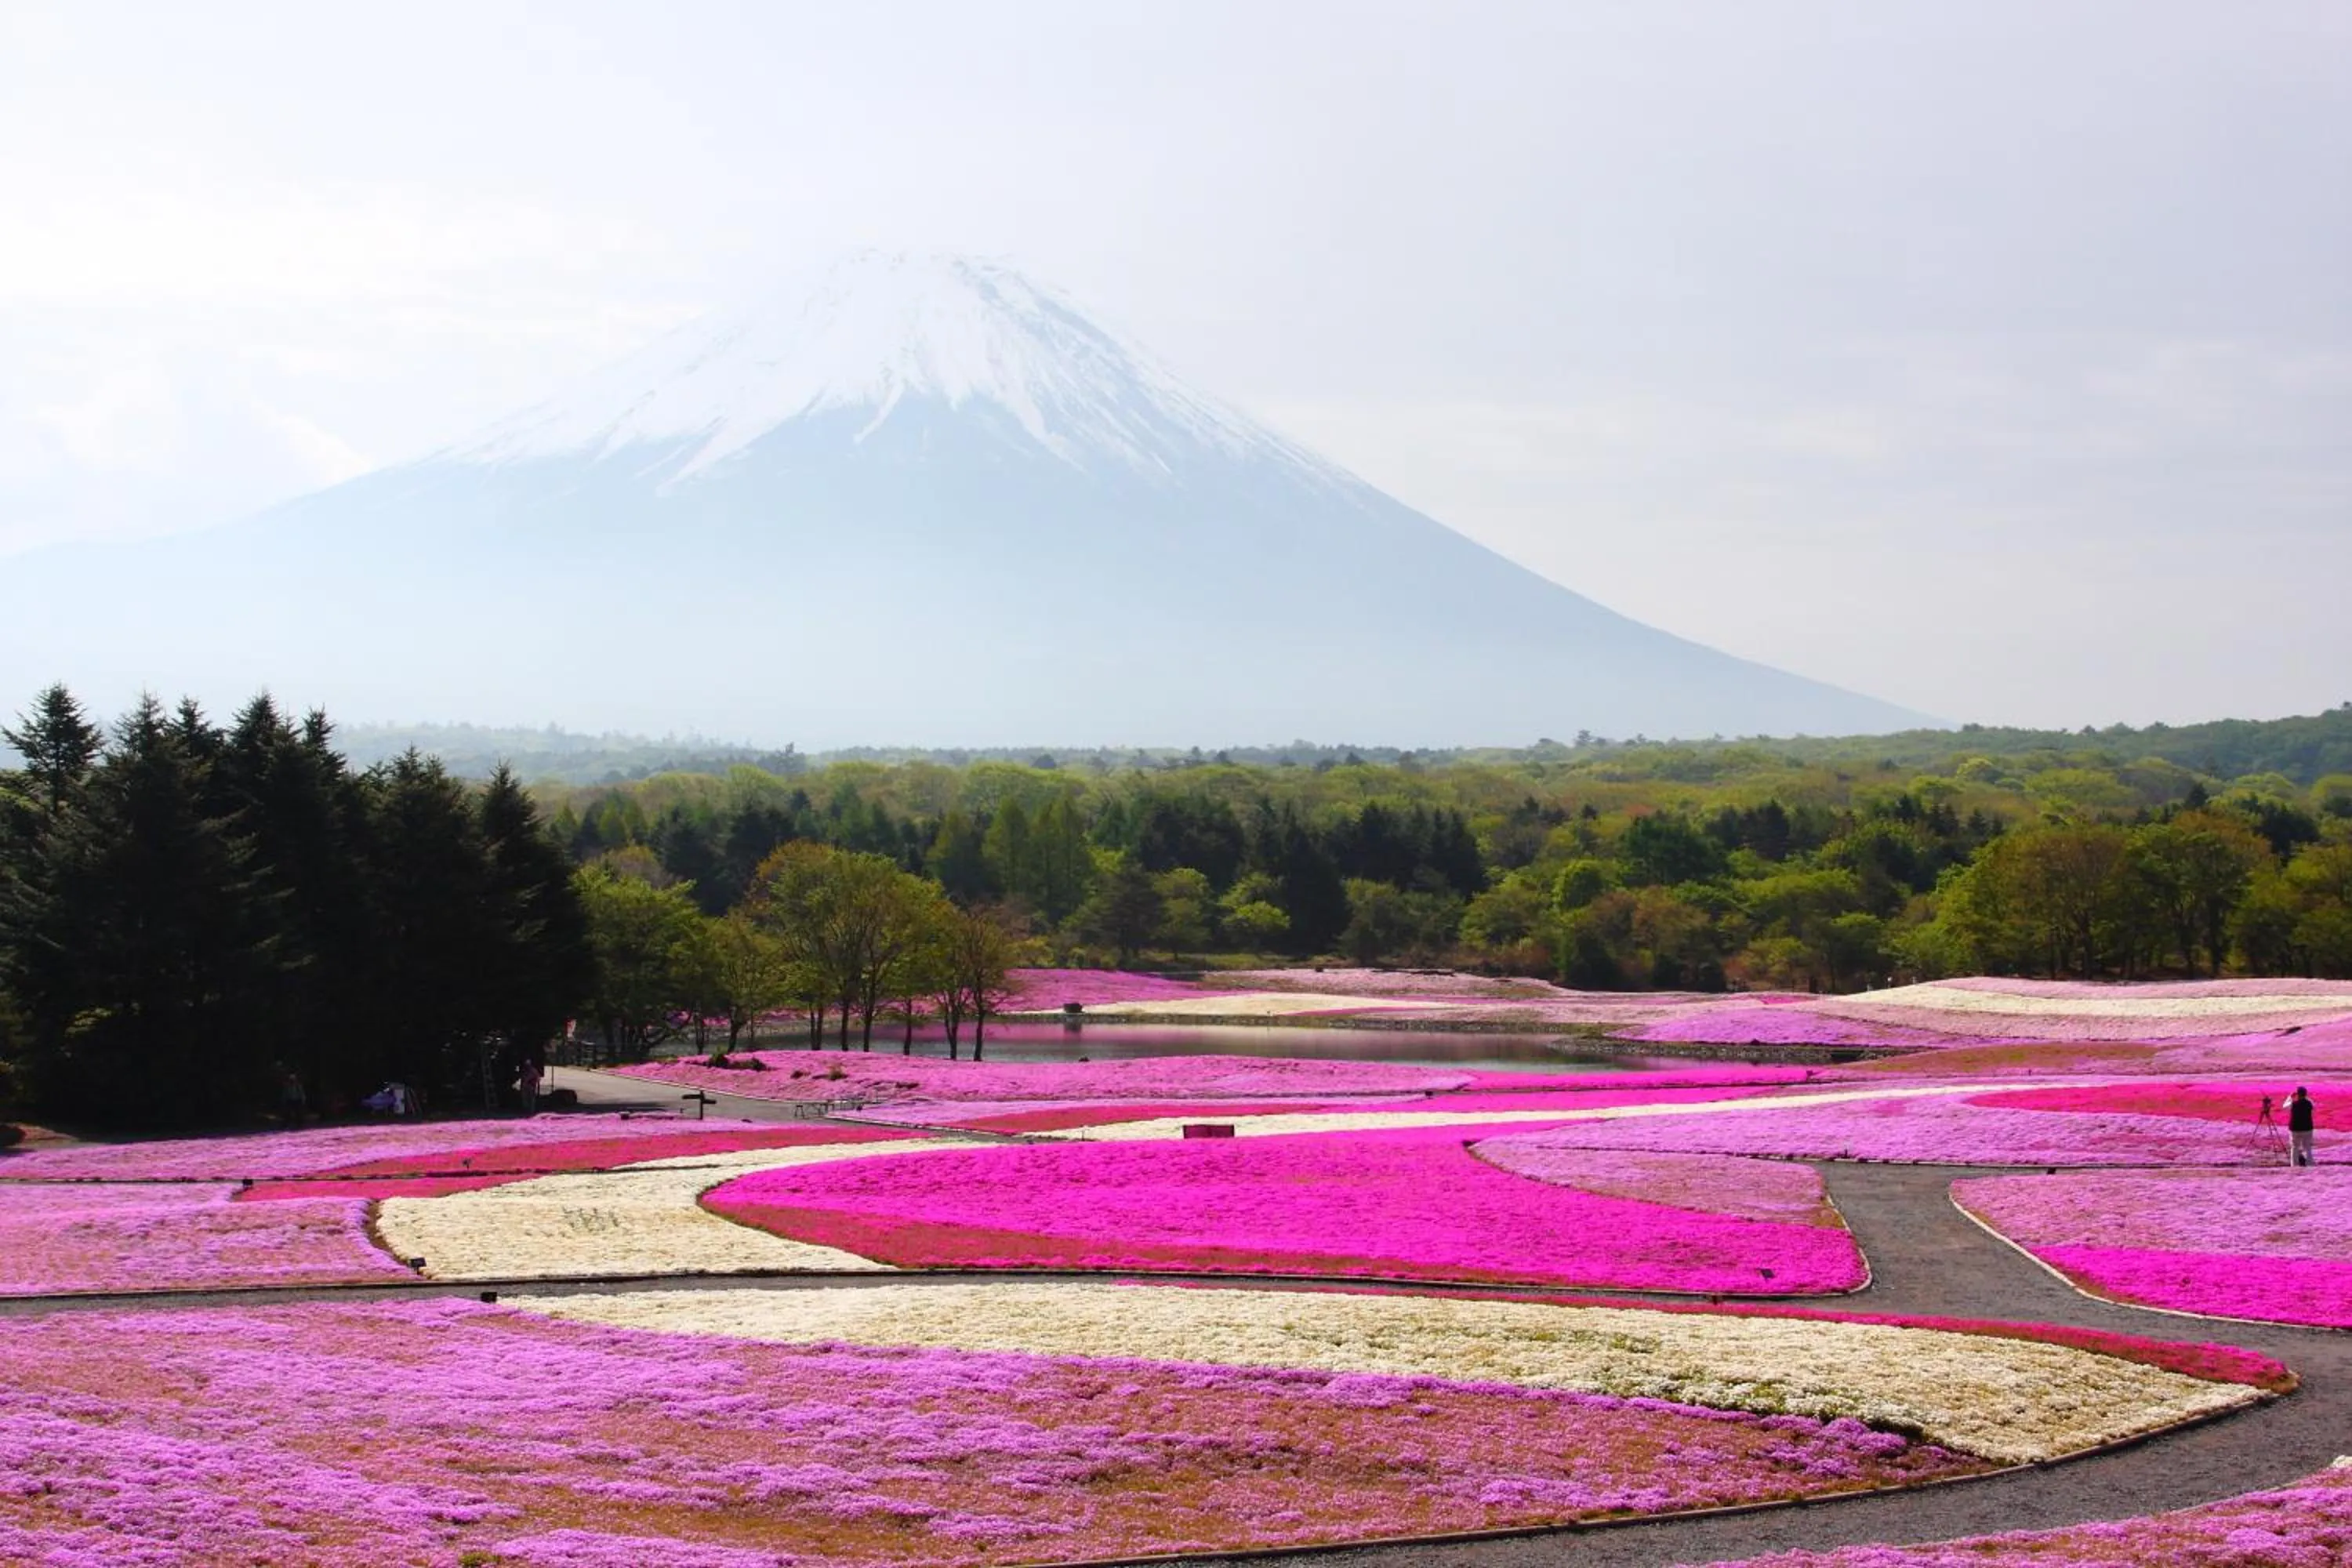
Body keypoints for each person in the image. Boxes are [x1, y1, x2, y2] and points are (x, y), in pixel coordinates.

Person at [2288, 1086, 2316, 1168]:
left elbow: (2285, 1106)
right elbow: (2314, 1105)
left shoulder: (2293, 1104)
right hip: (2307, 1128)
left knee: (2294, 1148)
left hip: (2295, 1129)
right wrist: (2306, 1097)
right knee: (2308, 1148)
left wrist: (2290, 1097)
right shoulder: (2309, 1103)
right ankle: (2310, 1164)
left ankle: (2294, 1165)